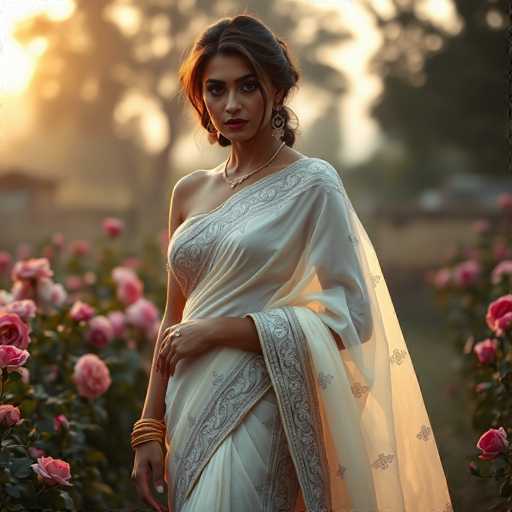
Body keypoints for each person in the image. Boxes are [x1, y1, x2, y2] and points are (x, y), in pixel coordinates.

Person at [130, 14, 453, 512]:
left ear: (276, 91)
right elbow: (174, 320)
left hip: (258, 404)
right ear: (201, 99)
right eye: (215, 90)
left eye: (247, 86)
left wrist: (219, 331)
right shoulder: (189, 191)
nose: (231, 104)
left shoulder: (313, 184)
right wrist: (149, 428)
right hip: (186, 406)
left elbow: (352, 316)